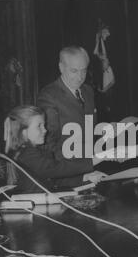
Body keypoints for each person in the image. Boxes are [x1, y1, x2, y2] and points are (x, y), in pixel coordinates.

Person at [4, 105, 106, 193]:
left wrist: (86, 177)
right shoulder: (26, 154)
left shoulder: (33, 152)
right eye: (39, 126)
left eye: (44, 125)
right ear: (23, 131)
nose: (45, 130)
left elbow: (54, 181)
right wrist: (97, 158)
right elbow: (57, 169)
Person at [37, 46, 98, 178]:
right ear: (61, 67)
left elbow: (88, 130)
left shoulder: (88, 91)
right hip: (66, 174)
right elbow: (48, 144)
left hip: (91, 169)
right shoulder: (49, 95)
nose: (80, 77)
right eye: (74, 71)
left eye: (84, 71)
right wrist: (76, 171)